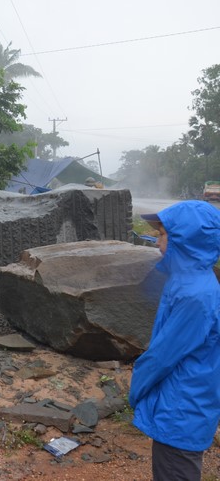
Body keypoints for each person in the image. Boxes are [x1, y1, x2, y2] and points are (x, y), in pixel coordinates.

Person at [129, 200, 220, 481]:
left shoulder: (195, 295)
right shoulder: (188, 279)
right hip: (185, 402)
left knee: (174, 470)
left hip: (181, 410)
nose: (157, 243)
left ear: (186, 239)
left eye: (162, 235)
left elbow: (162, 356)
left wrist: (136, 390)